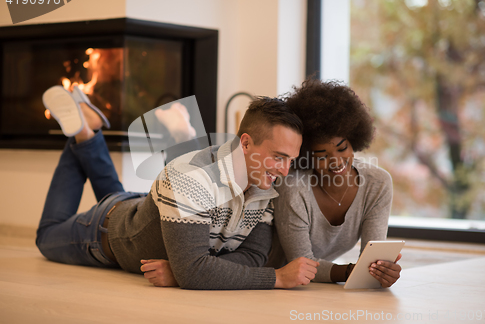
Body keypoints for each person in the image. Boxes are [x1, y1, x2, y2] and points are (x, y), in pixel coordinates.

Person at [36, 85, 319, 290]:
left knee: (120, 197)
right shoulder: (190, 177)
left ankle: (88, 130)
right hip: (104, 233)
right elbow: (195, 272)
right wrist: (277, 278)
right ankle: (83, 133)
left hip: (142, 212)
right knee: (46, 235)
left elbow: (254, 255)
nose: (284, 171)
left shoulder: (264, 184)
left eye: (291, 160)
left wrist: (189, 269)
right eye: (278, 157)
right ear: (245, 143)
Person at [271, 79, 402, 287]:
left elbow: (371, 259)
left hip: (313, 287)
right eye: (322, 155)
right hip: (272, 280)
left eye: (342, 148)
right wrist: (355, 272)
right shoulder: (293, 187)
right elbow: (300, 263)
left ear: (354, 139)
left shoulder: (377, 183)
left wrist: (381, 271)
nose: (336, 161)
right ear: (305, 156)